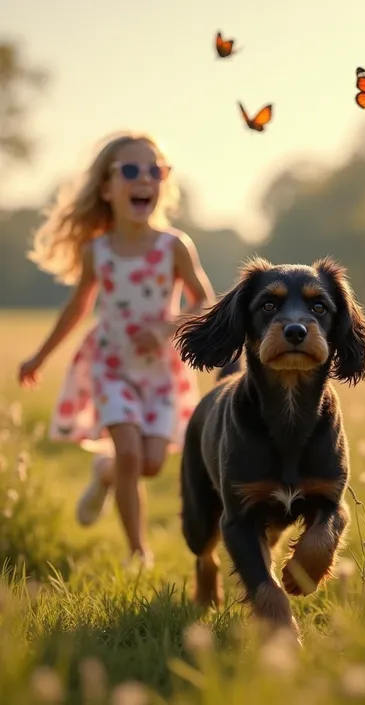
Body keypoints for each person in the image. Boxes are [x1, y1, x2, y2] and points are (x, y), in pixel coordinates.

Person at [18, 131, 219, 568]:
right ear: (107, 188)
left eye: (154, 171)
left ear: (162, 184)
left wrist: (168, 326)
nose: (143, 178)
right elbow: (77, 309)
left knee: (146, 463)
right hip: (110, 365)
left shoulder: (174, 246)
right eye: (130, 170)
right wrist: (39, 356)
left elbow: (205, 300)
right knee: (127, 450)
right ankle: (137, 552)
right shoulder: (99, 251)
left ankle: (103, 474)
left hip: (160, 372)